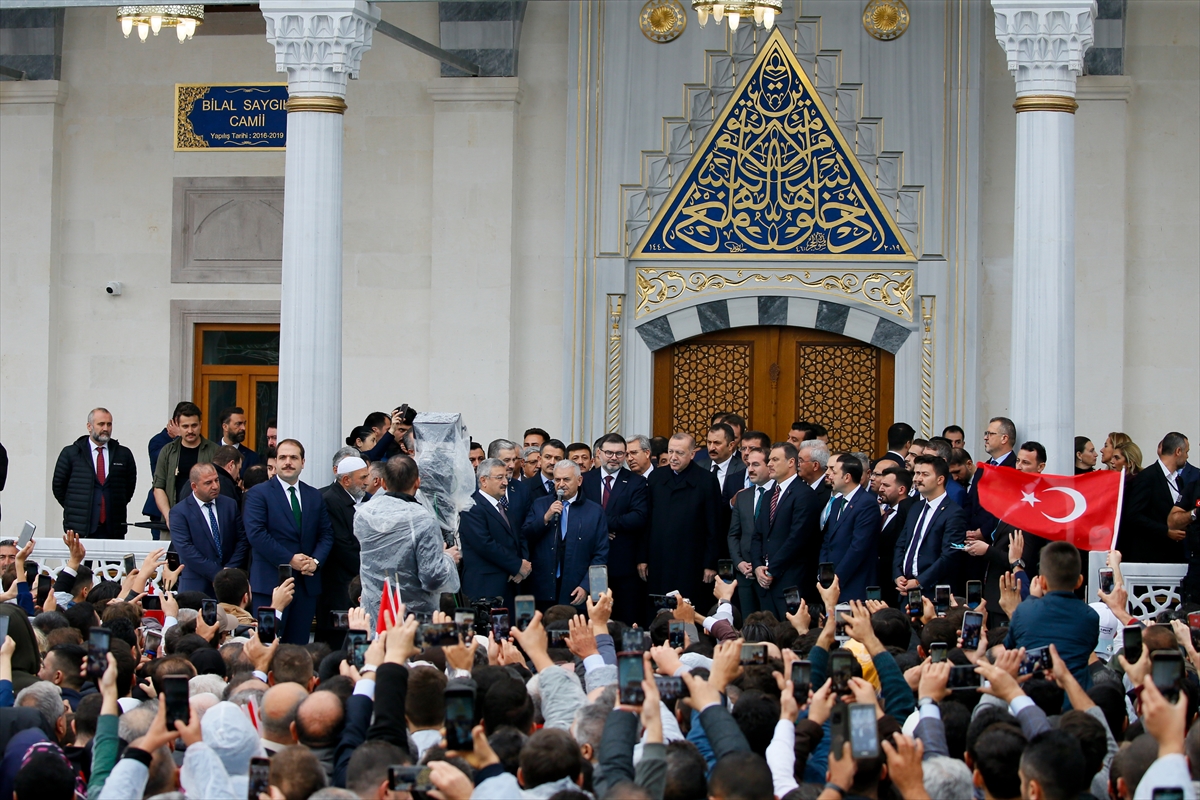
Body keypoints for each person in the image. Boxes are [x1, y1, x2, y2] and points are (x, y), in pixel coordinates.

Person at [243, 438, 334, 644]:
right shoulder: (259, 494)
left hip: (305, 585)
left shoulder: (314, 495)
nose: (287, 462)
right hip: (270, 585)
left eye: (293, 457)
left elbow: (326, 534)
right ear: (275, 462)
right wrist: (289, 559)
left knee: (298, 648)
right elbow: (256, 534)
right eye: (282, 457)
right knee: (267, 643)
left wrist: (316, 562)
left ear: (303, 462)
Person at [354, 454, 459, 620]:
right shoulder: (423, 520)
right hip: (414, 618)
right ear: (418, 482)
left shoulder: (363, 515)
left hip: (375, 613)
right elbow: (432, 578)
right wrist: (447, 559)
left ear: (382, 483)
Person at [963, 442, 1051, 615]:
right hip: (994, 593)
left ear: (1040, 467)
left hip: (1012, 597)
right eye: (1018, 461)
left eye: (1026, 463)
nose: (1018, 467)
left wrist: (987, 550)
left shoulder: (1039, 506)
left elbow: (1020, 560)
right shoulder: (1012, 496)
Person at [640, 433, 722, 609]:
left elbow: (714, 525)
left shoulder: (706, 480)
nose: (673, 457)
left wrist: (710, 563)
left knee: (687, 608)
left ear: (692, 454)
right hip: (659, 558)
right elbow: (647, 522)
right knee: (659, 609)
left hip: (691, 560)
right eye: (670, 452)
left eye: (679, 453)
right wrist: (643, 558)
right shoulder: (656, 478)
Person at [1005, 541, 1099, 686]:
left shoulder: (1024, 611)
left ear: (1041, 581)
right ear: (1079, 581)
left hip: (1033, 699)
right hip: (1076, 699)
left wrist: (1032, 600)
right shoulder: (1090, 617)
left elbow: (1010, 647)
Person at [579, 433, 648, 624]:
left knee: (624, 620)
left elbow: (638, 518)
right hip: (588, 561)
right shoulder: (584, 480)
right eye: (609, 452)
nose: (614, 458)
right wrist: (601, 530)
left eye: (619, 454)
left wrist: (601, 522)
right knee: (593, 621)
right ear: (599, 453)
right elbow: (577, 514)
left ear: (625, 455)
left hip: (623, 563)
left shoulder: (637, 482)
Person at [522, 460, 609, 608]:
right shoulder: (540, 504)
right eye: (557, 480)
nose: (561, 484)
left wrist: (586, 586)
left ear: (579, 480)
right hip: (543, 589)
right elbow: (525, 537)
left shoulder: (594, 511)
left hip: (575, 588)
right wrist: (545, 518)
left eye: (566, 479)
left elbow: (600, 554)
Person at [749, 441, 820, 612]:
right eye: (769, 460)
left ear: (791, 462)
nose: (770, 464)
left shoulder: (804, 494)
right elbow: (758, 535)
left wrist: (771, 570)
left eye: (774, 459)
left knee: (790, 633)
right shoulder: (768, 495)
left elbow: (797, 538)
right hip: (765, 583)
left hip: (790, 580)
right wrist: (758, 566)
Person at [51, 408, 137, 538]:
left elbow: (129, 487)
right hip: (79, 527)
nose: (106, 428)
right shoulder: (71, 453)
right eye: (101, 424)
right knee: (78, 559)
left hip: (113, 527)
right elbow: (58, 486)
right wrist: (76, 506)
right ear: (89, 426)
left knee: (114, 559)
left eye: (109, 424)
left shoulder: (123, 454)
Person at [169, 463, 249, 597]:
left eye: (216, 480)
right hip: (196, 586)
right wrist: (218, 574)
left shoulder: (230, 505)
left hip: (229, 586)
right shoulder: (179, 512)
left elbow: (242, 539)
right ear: (194, 487)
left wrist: (229, 570)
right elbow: (186, 550)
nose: (215, 486)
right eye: (208, 483)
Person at [460, 458, 530, 608]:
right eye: (499, 478)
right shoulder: (472, 507)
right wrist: (517, 565)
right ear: (483, 481)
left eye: (506, 477)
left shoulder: (503, 507)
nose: (505, 482)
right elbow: (485, 545)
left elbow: (517, 538)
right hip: (484, 588)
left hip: (509, 585)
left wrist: (522, 563)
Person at [316, 452, 369, 648]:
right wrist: (368, 564)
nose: (367, 482)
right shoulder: (330, 501)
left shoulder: (363, 499)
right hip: (338, 587)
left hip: (355, 584)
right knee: (337, 644)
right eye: (362, 477)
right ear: (346, 480)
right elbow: (342, 546)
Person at [894, 454, 966, 597]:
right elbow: (901, 544)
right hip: (905, 589)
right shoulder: (915, 508)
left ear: (940, 479)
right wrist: (897, 575)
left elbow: (949, 556)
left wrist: (919, 582)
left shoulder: (954, 513)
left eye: (924, 474)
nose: (916, 479)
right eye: (916, 473)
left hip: (932, 592)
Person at [818, 453, 881, 601]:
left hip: (854, 581)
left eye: (834, 472)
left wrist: (837, 578)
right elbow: (827, 540)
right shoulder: (837, 502)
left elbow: (858, 547)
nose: (830, 476)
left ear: (847, 477)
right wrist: (824, 572)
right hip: (832, 582)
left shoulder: (866, 504)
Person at [1120, 431, 1189, 563]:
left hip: (1173, 555)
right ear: (1178, 451)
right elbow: (1133, 515)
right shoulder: (1148, 477)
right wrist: (1165, 531)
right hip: (1150, 556)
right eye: (1186, 452)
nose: (1187, 456)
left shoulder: (1178, 480)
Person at [153, 402, 218, 529]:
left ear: (200, 424)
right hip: (173, 519)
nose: (190, 431)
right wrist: (169, 516)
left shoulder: (214, 451)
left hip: (205, 521)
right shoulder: (167, 451)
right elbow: (158, 487)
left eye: (194, 425)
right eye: (185, 426)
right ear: (177, 426)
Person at [727, 446, 773, 615]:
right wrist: (739, 563)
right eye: (748, 465)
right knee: (748, 623)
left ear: (770, 467)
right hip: (744, 574)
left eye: (756, 464)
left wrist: (762, 566)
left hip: (768, 574)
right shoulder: (743, 496)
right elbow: (733, 534)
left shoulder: (779, 495)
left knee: (770, 624)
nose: (750, 469)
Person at [966, 416, 1018, 547]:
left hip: (994, 542)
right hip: (970, 539)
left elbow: (1007, 508)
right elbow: (970, 501)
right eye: (986, 434)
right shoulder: (982, 468)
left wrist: (984, 532)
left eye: (990, 434)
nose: (985, 437)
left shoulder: (1015, 469)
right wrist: (966, 529)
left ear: (1004, 438)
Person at [875, 467, 914, 606]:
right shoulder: (883, 512)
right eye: (881, 484)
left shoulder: (910, 514)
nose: (881, 489)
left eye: (886, 485)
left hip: (896, 586)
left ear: (901, 490)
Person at [488, 438, 532, 535]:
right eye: (507, 460)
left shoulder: (522, 489)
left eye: (514, 460)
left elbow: (526, 528)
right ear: (492, 460)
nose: (512, 465)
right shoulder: (476, 490)